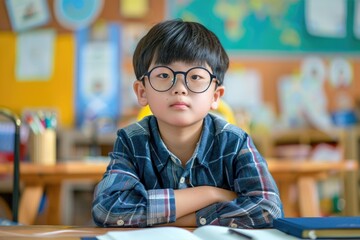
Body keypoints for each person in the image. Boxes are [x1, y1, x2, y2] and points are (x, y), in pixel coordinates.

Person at [92, 19, 283, 228]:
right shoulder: (131, 140)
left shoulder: (235, 142)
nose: (180, 88)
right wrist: (210, 194)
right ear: (142, 91)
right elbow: (107, 209)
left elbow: (268, 210)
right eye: (164, 75)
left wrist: (170, 220)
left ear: (215, 96)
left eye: (196, 76)